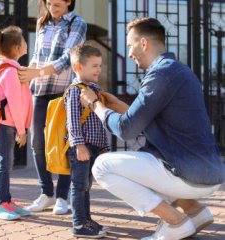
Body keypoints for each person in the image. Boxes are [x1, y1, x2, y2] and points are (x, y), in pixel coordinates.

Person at [80, 17, 225, 240]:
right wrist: (116, 105)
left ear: (144, 43)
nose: (129, 53)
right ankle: (195, 212)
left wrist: (94, 105)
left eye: (130, 46)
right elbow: (144, 120)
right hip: (209, 172)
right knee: (143, 161)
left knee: (102, 166)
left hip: (188, 174)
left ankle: (175, 222)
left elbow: (127, 130)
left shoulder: (160, 75)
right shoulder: (178, 71)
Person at [18, 0, 87, 215]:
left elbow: (68, 59)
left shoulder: (77, 23)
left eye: (57, 3)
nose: (52, 7)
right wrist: (27, 73)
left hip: (63, 91)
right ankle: (46, 193)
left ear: (68, 2)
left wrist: (37, 73)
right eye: (49, 3)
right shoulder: (42, 23)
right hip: (39, 90)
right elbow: (38, 56)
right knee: (38, 142)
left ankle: (62, 197)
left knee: (63, 144)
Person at [0, 26, 33, 220]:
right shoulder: (10, 72)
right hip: (8, 124)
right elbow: (14, 103)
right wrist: (21, 130)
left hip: (8, 123)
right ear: (16, 46)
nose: (27, 43)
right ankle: (0, 204)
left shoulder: (3, 67)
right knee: (5, 163)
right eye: (24, 40)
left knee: (7, 162)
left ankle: (6, 200)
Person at [66, 44, 110, 238]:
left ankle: (87, 219)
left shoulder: (94, 91)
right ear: (78, 67)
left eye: (99, 65)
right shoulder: (75, 91)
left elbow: (100, 122)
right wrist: (79, 144)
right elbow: (72, 121)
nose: (98, 70)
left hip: (92, 147)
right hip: (81, 147)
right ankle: (78, 224)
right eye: (94, 66)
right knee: (79, 185)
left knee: (86, 186)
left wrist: (103, 147)